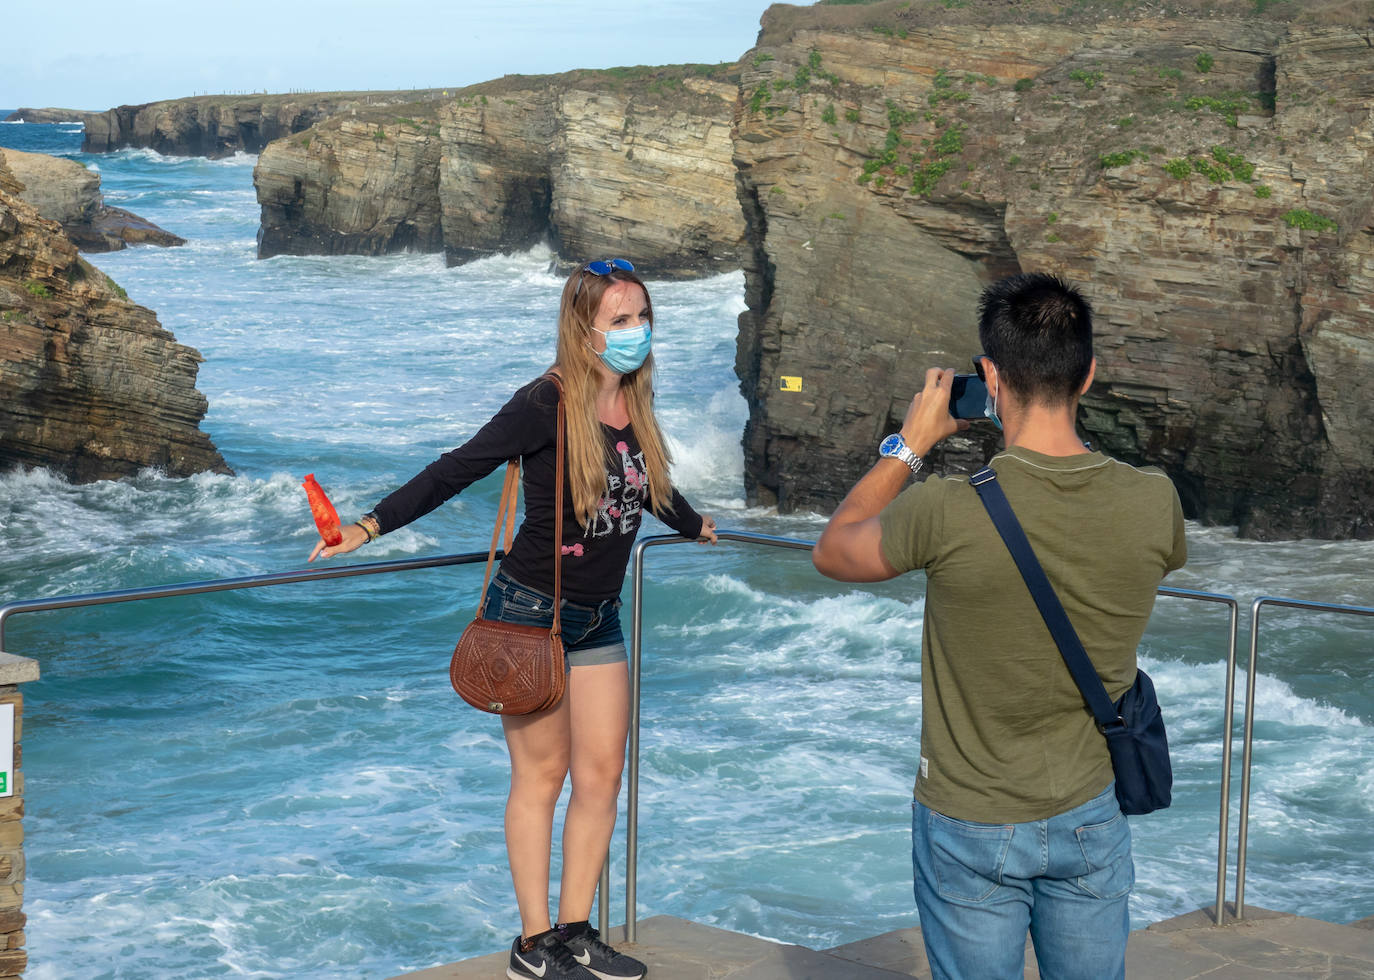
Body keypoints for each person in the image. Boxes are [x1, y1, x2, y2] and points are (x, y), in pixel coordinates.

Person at [310, 258, 718, 980]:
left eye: (642, 317)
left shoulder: (634, 402)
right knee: (543, 776)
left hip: (599, 617)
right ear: (583, 328)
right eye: (620, 320)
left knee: (601, 777)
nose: (636, 331)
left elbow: (644, 487)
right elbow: (456, 467)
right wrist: (367, 527)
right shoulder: (546, 401)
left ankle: (575, 933)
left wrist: (691, 523)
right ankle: (532, 946)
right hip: (532, 613)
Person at [811, 273, 1185, 980]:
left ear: (989, 376)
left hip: (968, 817)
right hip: (1088, 808)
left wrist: (909, 446)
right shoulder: (1153, 501)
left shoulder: (947, 510)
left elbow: (834, 550)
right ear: (1090, 374)